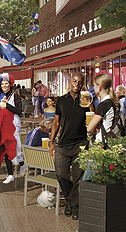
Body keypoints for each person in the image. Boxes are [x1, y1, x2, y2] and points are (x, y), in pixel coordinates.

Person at [48, 72, 90, 220]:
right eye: (74, 81)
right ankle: (71, 201)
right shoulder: (61, 101)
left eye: (80, 82)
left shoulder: (85, 101)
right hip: (63, 145)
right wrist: (51, 142)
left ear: (83, 84)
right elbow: (56, 123)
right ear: (70, 82)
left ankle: (74, 207)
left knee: (78, 177)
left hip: (81, 145)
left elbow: (92, 120)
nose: (76, 85)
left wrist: (89, 104)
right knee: (61, 175)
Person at [0, 73, 24, 184]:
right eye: (2, 84)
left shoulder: (15, 97)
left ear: (10, 85)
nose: (4, 85)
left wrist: (7, 106)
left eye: (6, 83)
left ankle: (22, 164)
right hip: (2, 126)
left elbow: (19, 111)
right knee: (5, 150)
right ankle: (10, 174)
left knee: (14, 149)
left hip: (13, 126)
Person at [86, 73, 119, 144]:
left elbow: (89, 129)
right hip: (109, 139)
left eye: (95, 85)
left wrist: (91, 125)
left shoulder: (103, 105)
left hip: (102, 141)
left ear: (99, 87)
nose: (93, 87)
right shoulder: (110, 102)